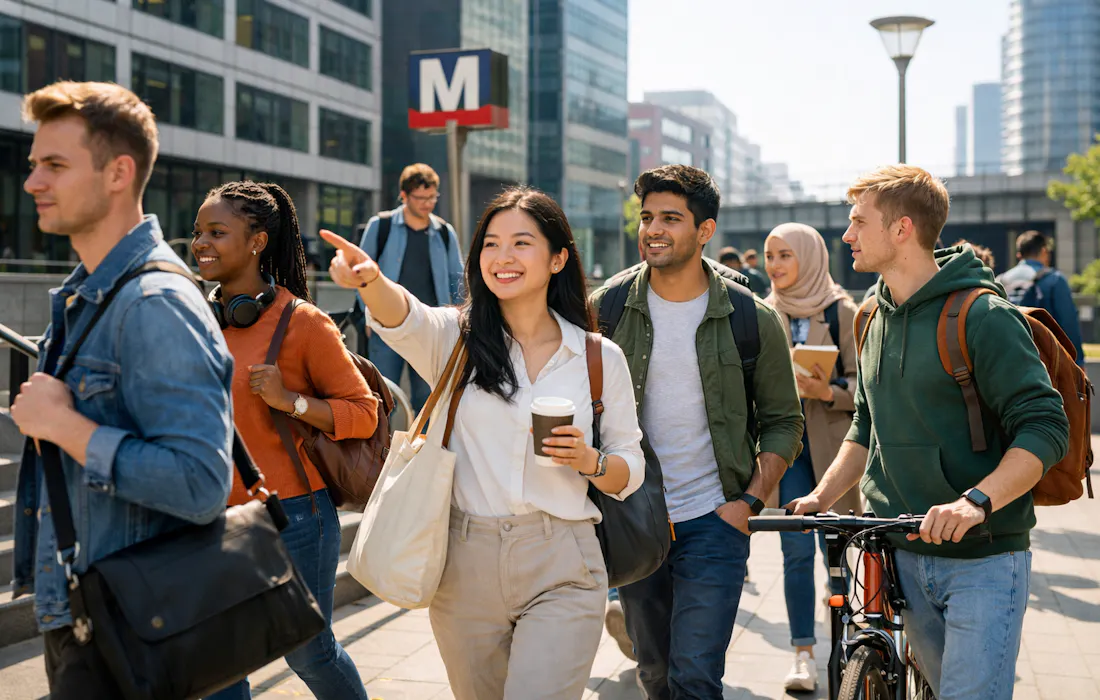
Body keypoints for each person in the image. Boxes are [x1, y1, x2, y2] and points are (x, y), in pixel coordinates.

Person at [323, 187, 645, 700]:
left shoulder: (597, 356)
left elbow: (631, 466)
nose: (503, 257)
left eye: (521, 243)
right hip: (464, 560)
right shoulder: (457, 337)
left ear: (558, 258)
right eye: (491, 244)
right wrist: (371, 280)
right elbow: (405, 316)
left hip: (563, 557)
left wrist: (589, 460)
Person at [789, 165, 1069, 700]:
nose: (846, 235)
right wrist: (821, 497)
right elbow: (865, 427)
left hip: (985, 558)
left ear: (902, 230)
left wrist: (976, 502)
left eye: (857, 222)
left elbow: (1044, 426)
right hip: (902, 552)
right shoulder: (870, 316)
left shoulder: (984, 315)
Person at [9, 81, 235, 698]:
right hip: (94, 618)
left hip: (134, 629)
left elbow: (200, 484)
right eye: (33, 165)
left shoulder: (153, 304)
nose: (32, 183)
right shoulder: (94, 294)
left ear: (118, 173)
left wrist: (65, 427)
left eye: (55, 165)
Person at [590, 165, 804, 700]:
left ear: (705, 230)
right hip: (636, 520)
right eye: (646, 217)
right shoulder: (606, 310)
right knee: (656, 676)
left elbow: (784, 422)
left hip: (715, 521)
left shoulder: (752, 319)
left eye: (670, 218)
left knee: (696, 678)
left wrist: (749, 502)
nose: (653, 229)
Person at [193, 181, 379, 700]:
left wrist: (289, 401)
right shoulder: (191, 317)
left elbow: (363, 414)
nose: (201, 243)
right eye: (197, 232)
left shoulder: (303, 322)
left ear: (257, 241)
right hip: (211, 516)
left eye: (216, 232)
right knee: (221, 662)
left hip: (293, 517)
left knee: (308, 652)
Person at [763, 222, 861, 692]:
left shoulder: (844, 312)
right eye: (770, 256)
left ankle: (847, 638)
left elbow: (867, 387)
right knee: (795, 550)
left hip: (835, 450)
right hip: (788, 452)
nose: (776, 266)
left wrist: (830, 390)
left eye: (786, 255)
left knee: (837, 548)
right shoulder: (764, 313)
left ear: (810, 257)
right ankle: (802, 651)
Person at [357, 163, 464, 412]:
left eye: (432, 197)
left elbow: (456, 277)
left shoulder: (445, 233)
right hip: (386, 323)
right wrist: (368, 314)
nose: (427, 203)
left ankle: (422, 450)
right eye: (421, 198)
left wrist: (458, 319)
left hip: (430, 326)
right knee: (383, 395)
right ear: (404, 196)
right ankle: (381, 450)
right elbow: (359, 273)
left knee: (428, 398)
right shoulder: (380, 226)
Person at [997, 230, 1086, 367]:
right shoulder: (1055, 280)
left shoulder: (1000, 281)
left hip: (1007, 362)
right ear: (1044, 251)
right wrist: (1078, 362)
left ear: (1019, 255)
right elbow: (1068, 323)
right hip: (1046, 365)